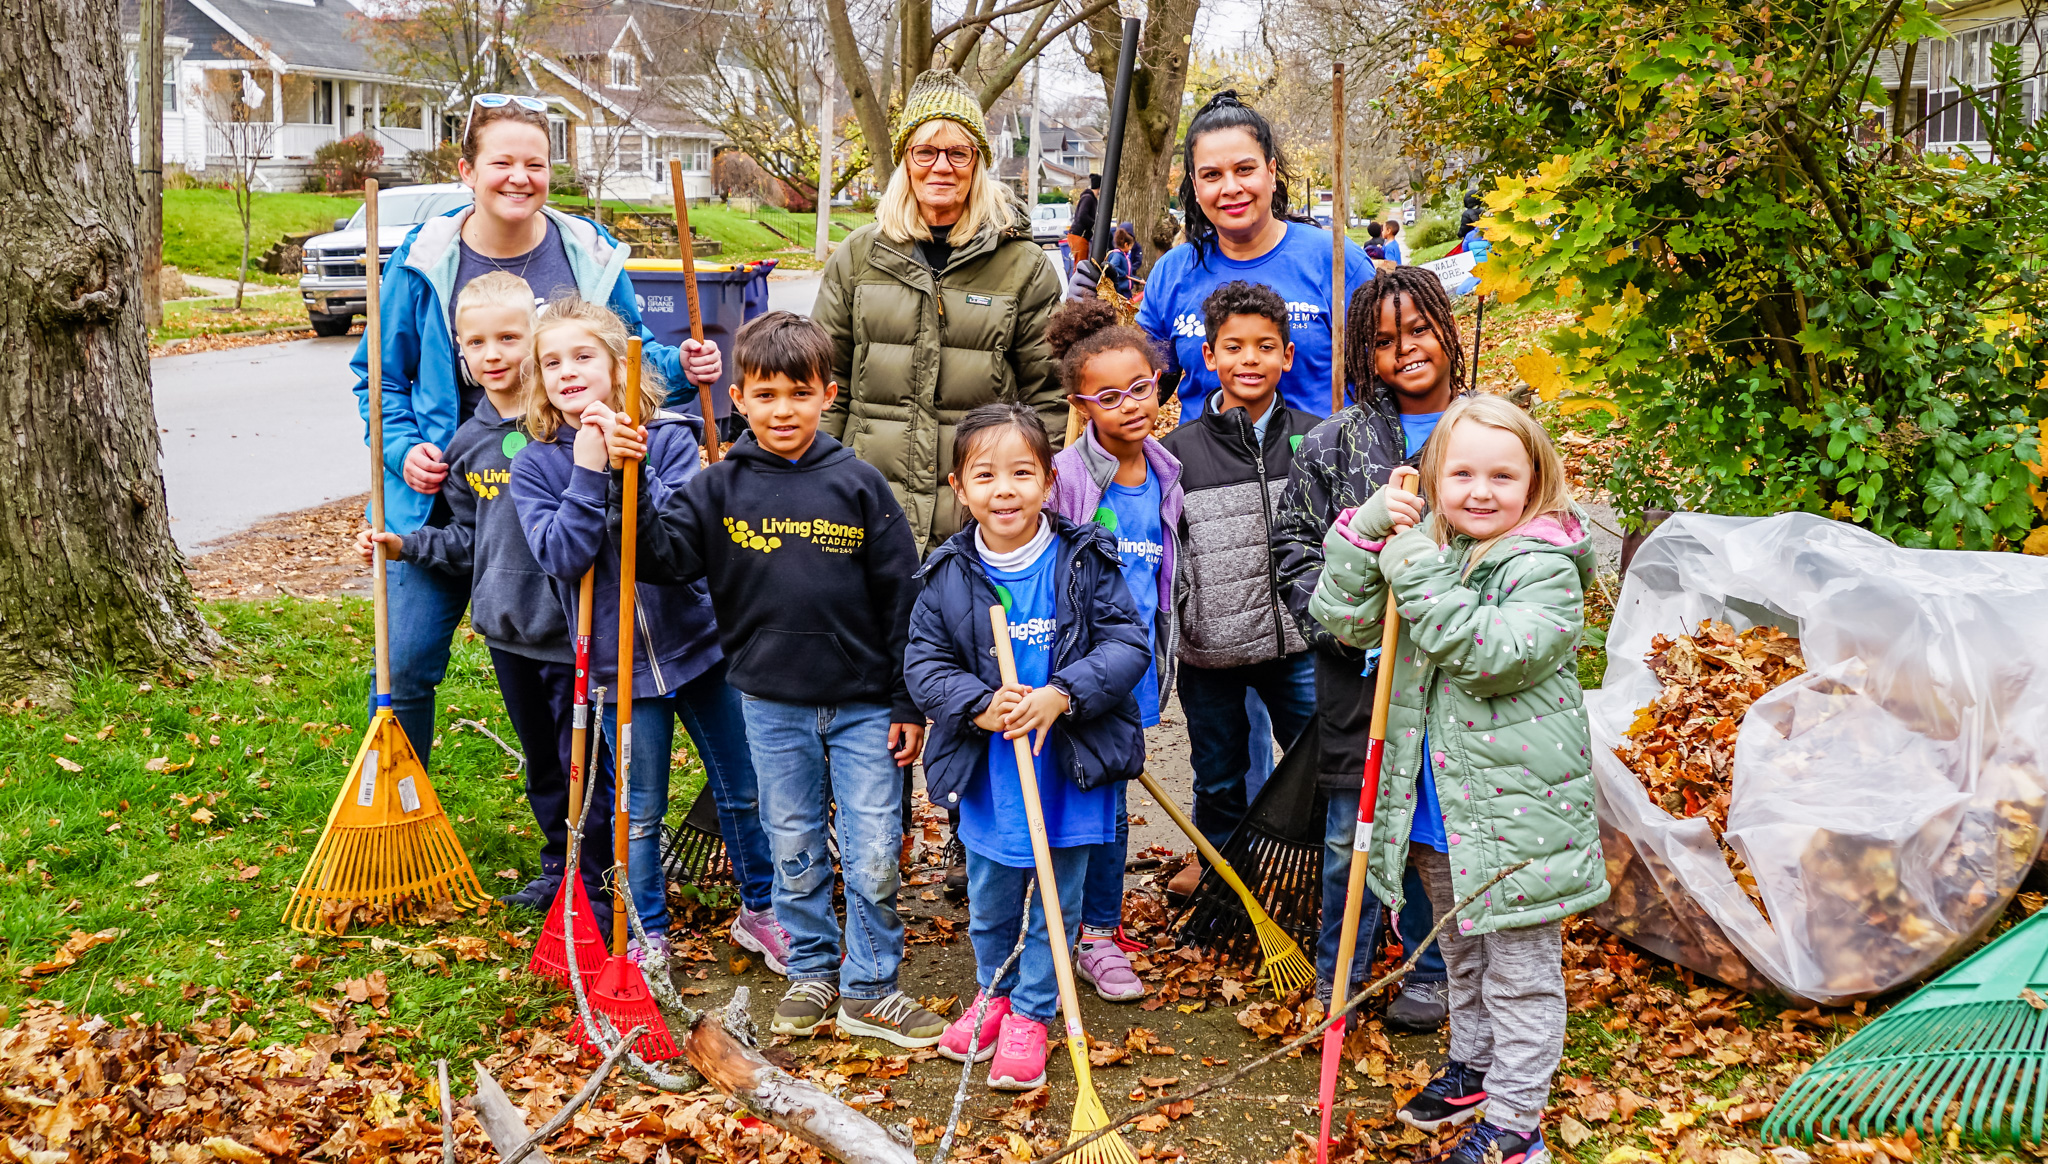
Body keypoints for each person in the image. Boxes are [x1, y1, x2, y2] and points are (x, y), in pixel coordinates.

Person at [352, 93, 721, 772]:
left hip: (562, 482)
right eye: (502, 162)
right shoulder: (422, 258)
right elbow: (377, 379)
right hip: (451, 494)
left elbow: (626, 349)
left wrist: (681, 360)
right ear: (467, 170)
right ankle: (403, 814)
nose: (519, 177)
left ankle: (581, 837)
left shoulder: (586, 254)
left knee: (577, 668)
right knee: (401, 668)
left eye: (535, 163)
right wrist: (404, 451)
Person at [1307, 393, 1605, 1164]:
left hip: (1516, 818)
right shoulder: (1430, 548)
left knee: (1519, 972)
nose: (1481, 491)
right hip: (1439, 807)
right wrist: (1367, 533)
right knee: (1461, 951)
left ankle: (1516, 1124)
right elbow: (1342, 618)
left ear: (1536, 482)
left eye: (1503, 476)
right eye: (1463, 473)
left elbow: (1485, 651)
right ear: (1434, 478)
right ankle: (1474, 1068)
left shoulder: (1545, 569)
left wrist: (1412, 565)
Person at [631, 310, 944, 1046]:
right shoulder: (717, 490)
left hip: (867, 703)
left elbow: (904, 596)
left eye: (798, 394)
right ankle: (811, 967)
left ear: (827, 394)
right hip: (770, 704)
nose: (782, 410)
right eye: (765, 395)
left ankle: (871, 987)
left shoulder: (860, 485)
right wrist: (633, 479)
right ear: (739, 397)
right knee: (793, 840)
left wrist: (909, 700)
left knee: (872, 846)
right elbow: (661, 559)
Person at [813, 67, 1066, 897]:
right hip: (874, 508)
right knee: (880, 684)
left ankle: (975, 839)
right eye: (926, 149)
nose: (942, 165)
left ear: (981, 162)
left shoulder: (1023, 269)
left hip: (974, 518)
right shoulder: (860, 257)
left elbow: (1049, 398)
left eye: (959, 150)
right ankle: (875, 851)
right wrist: (822, 485)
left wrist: (1014, 495)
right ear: (904, 161)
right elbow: (827, 383)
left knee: (978, 673)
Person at [510, 297, 786, 970]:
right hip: (614, 664)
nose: (567, 372)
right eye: (552, 363)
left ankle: (761, 907)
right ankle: (648, 929)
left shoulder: (667, 437)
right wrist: (589, 468)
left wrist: (636, 465)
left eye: (582, 357)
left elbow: (685, 540)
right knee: (638, 806)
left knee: (741, 785)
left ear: (619, 366)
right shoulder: (536, 466)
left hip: (699, 645)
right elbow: (562, 557)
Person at [355, 272, 612, 920]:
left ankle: (602, 873)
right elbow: (470, 541)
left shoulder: (566, 429)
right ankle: (559, 868)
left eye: (508, 337)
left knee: (583, 758)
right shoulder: (467, 445)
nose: (493, 354)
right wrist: (405, 545)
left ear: (535, 341)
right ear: (460, 352)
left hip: (570, 628)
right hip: (507, 630)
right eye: (476, 343)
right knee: (543, 761)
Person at [907, 404, 1149, 1089]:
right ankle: (995, 992)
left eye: (1021, 473)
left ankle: (1034, 1013)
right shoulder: (946, 573)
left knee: (1054, 898)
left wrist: (1063, 691)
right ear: (959, 488)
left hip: (1069, 767)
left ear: (1049, 481)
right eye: (985, 475)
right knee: (990, 896)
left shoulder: (1083, 557)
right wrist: (978, 705)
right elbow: (924, 663)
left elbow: (1127, 644)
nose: (1004, 489)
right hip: (991, 773)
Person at [1274, 266, 1469, 1016]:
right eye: (1385, 341)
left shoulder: (1489, 430)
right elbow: (1291, 546)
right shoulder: (1332, 444)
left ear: (1447, 331)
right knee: (1349, 827)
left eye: (1419, 331)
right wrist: (1338, 627)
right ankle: (1341, 969)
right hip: (1362, 676)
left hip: (1457, 679)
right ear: (1363, 354)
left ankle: (1431, 968)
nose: (1406, 350)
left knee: (1434, 828)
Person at [1156, 282, 1321, 899]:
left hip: (1299, 647)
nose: (1249, 359)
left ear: (1287, 357)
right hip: (1212, 651)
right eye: (1234, 347)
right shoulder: (1175, 455)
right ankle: (1226, 890)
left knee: (1319, 765)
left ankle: (1318, 884)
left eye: (1265, 347)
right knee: (1219, 777)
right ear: (1209, 357)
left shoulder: (1317, 439)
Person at [1043, 298, 1183, 1004]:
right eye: (1108, 396)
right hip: (1074, 668)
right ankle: (1057, 930)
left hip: (1136, 671)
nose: (1129, 406)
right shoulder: (1068, 477)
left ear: (1159, 381)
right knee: (1072, 798)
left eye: (1140, 388)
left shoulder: (1167, 473)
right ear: (1081, 403)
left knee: (1112, 802)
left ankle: (1099, 932)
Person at [1134, 91, 1373, 423]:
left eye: (1245, 169)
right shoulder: (1172, 274)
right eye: (1212, 175)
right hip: (1206, 471)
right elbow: (1144, 388)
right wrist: (1094, 339)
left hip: (1319, 467)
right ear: (1195, 185)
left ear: (1271, 172)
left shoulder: (1335, 260)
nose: (1231, 187)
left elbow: (1382, 376)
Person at [1068, 173, 1101, 266]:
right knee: (1081, 265)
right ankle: (1078, 281)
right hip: (1079, 235)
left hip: (1081, 236)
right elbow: (1082, 216)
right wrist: (1094, 224)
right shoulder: (1088, 198)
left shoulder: (1091, 199)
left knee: (1082, 264)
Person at [1103, 226, 1138, 299]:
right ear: (1126, 244)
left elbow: (1129, 274)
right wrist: (1123, 274)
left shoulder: (1124, 256)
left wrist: (1138, 280)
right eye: (1130, 245)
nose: (1131, 248)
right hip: (1120, 289)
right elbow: (1113, 266)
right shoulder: (1117, 255)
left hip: (1125, 289)